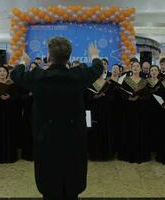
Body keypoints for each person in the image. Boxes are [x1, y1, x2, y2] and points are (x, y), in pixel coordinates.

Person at [11, 37, 103, 200]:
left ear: (49, 55)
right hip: (73, 137)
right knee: (72, 178)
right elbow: (97, 68)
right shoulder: (78, 76)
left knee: (49, 179)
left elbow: (16, 74)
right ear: (69, 56)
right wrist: (94, 55)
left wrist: (23, 61)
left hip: (47, 137)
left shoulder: (39, 77)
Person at [118, 61, 150, 163]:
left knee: (140, 131)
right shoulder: (126, 80)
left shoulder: (145, 81)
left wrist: (139, 97)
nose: (135, 68)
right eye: (134, 66)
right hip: (129, 110)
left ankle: (140, 154)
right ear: (131, 68)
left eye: (137, 66)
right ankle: (128, 154)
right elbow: (122, 94)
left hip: (141, 110)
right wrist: (129, 98)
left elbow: (148, 95)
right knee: (129, 130)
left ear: (140, 69)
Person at [0, 66, 20, 163]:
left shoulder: (12, 84)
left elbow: (17, 97)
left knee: (9, 132)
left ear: (7, 73)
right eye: (0, 71)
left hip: (9, 112)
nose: (2, 73)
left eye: (4, 71)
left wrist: (10, 96)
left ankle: (9, 156)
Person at [86, 73, 114, 161]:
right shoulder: (90, 83)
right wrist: (94, 96)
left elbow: (112, 98)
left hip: (105, 111)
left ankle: (105, 154)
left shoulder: (108, 84)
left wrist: (104, 95)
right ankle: (94, 154)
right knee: (94, 132)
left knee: (104, 131)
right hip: (94, 111)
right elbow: (87, 97)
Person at [145, 65, 162, 153]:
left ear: (158, 72)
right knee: (149, 127)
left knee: (158, 127)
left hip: (159, 108)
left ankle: (157, 146)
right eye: (152, 70)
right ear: (150, 72)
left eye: (155, 70)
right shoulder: (146, 82)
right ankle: (150, 146)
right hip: (148, 107)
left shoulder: (162, 82)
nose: (153, 72)